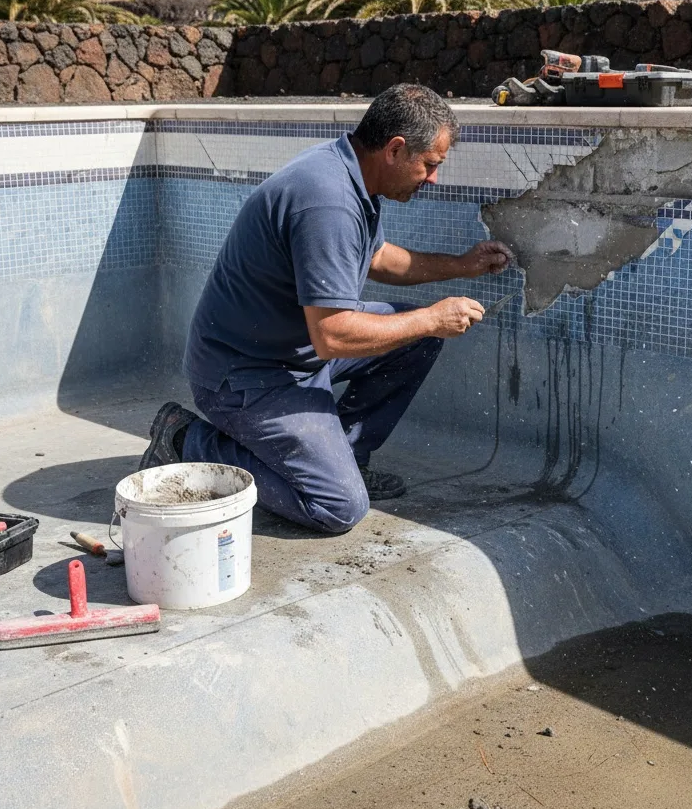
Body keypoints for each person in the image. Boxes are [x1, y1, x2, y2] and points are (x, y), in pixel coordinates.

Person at [139, 84, 512, 533]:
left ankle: (346, 456)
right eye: (430, 164)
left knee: (418, 340)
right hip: (245, 376)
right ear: (395, 149)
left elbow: (377, 257)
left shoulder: (349, 172)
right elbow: (333, 336)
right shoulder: (327, 201)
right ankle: (186, 439)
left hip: (291, 353)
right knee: (338, 506)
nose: (432, 178)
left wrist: (462, 266)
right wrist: (432, 318)